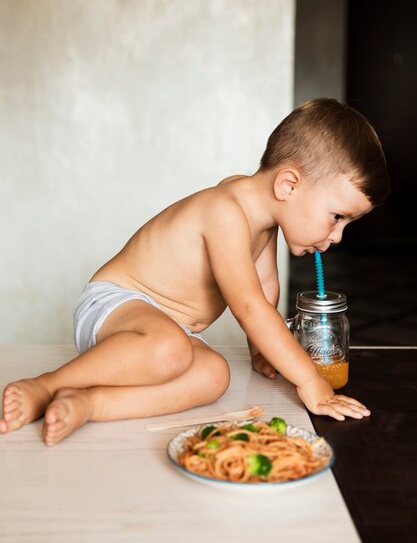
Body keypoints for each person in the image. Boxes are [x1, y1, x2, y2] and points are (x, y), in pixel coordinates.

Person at [0, 98, 390, 446]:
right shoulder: (225, 211)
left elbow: (265, 289)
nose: (337, 236)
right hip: (114, 306)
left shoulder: (262, 216)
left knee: (214, 374)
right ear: (288, 184)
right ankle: (45, 385)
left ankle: (89, 403)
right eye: (336, 217)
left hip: (165, 333)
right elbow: (250, 307)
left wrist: (260, 352)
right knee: (168, 347)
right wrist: (311, 382)